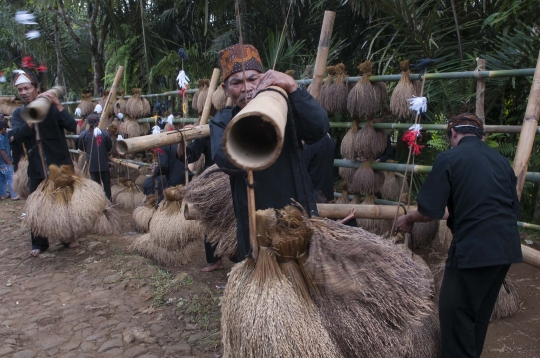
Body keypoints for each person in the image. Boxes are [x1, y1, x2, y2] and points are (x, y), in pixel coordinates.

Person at [395, 113, 522, 358]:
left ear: (454, 134)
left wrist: (408, 219)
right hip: (506, 249)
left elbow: (429, 211)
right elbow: (513, 208)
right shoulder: (500, 161)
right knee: (478, 317)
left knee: (455, 316)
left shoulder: (449, 158)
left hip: (474, 249)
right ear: (480, 135)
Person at [208, 44, 328, 261]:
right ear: (226, 90)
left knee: (303, 269)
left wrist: (292, 88)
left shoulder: (285, 106)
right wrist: (249, 132)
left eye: (252, 79)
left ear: (264, 78)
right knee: (260, 271)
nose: (246, 87)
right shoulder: (223, 120)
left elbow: (319, 129)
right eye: (236, 82)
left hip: (297, 210)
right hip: (254, 218)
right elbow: (223, 158)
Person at [10, 69, 77, 257]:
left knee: (63, 201)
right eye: (20, 89)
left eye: (26, 88)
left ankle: (66, 237)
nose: (23, 92)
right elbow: (17, 136)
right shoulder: (18, 113)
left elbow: (72, 126)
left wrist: (56, 103)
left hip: (58, 164)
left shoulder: (52, 107)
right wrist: (31, 119)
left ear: (37, 88)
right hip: (36, 167)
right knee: (36, 204)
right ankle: (39, 242)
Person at [177, 134, 223, 272]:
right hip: (214, 182)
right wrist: (181, 139)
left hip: (238, 177)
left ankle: (245, 259)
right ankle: (216, 260)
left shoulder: (238, 122)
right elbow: (187, 155)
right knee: (209, 221)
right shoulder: (208, 132)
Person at [78, 114, 113, 200]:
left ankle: (98, 201)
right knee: (107, 185)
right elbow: (109, 148)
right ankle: (108, 201)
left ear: (88, 123)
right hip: (104, 164)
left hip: (92, 165)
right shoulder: (105, 134)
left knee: (96, 185)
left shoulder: (83, 135)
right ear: (98, 122)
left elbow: (82, 148)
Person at [302, 133, 335, 203]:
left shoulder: (311, 142)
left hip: (313, 194)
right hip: (326, 193)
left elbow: (302, 168)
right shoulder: (329, 139)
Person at [0, 121, 18, 200]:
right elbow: (2, 152)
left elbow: (8, 141)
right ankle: (14, 195)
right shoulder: (0, 138)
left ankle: (3, 194)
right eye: (6, 129)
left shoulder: (3, 136)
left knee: (2, 179)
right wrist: (9, 162)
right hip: (5, 162)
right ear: (3, 129)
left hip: (1, 163)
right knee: (11, 178)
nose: (6, 130)